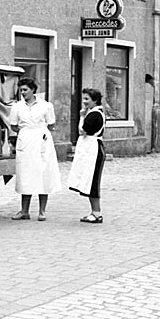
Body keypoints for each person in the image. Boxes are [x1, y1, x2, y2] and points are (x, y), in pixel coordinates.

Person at [9, 77, 62, 221]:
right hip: (25, 139)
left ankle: (42, 211)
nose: (23, 93)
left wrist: (39, 131)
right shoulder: (17, 107)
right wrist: (25, 131)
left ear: (33, 90)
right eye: (21, 90)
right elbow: (13, 125)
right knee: (25, 174)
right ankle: (24, 211)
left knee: (42, 173)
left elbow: (51, 124)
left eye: (25, 90)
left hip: (41, 139)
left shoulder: (45, 106)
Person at [67, 88, 106, 223]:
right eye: (83, 99)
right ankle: (94, 212)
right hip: (91, 149)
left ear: (95, 100)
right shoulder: (95, 112)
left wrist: (82, 116)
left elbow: (82, 131)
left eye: (87, 99)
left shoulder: (94, 114)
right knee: (89, 180)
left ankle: (97, 213)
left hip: (93, 150)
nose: (84, 102)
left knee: (93, 181)